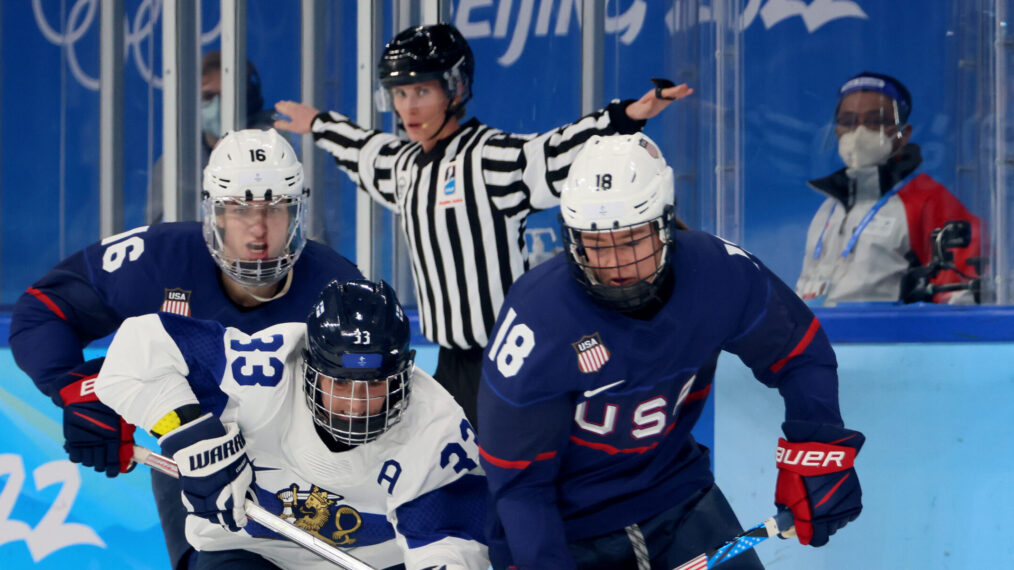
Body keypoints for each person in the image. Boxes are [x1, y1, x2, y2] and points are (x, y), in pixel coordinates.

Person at [273, 23, 693, 429]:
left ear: (454, 89)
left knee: (513, 477)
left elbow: (554, 151)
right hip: (449, 363)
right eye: (399, 93)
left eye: (422, 90)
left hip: (509, 356)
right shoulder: (405, 168)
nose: (409, 107)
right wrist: (318, 124)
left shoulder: (488, 158)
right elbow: (365, 150)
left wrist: (624, 116)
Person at [477, 134, 864, 569]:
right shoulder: (537, 320)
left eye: (631, 240)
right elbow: (520, 487)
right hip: (569, 530)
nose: (613, 264)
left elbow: (800, 352)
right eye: (596, 243)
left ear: (665, 225)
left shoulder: (719, 274)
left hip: (678, 500)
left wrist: (818, 450)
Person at [9, 129, 364, 570]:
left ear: (298, 213)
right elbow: (43, 310)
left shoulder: (342, 289)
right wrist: (82, 391)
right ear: (213, 213)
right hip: (196, 462)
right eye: (239, 208)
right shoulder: (157, 259)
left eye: (275, 208)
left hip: (312, 482)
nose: (257, 227)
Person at [93, 279, 488, 569]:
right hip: (248, 550)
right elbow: (136, 351)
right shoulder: (263, 373)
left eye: (375, 384)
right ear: (309, 367)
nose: (355, 405)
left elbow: (449, 545)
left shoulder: (436, 430)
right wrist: (188, 433)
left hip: (376, 562)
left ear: (403, 377)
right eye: (341, 382)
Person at [796, 71, 982, 306]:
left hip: (889, 339)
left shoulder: (928, 201)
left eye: (876, 121)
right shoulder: (829, 207)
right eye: (848, 121)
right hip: (821, 336)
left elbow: (960, 299)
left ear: (903, 134)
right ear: (836, 130)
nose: (859, 132)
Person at [147, 50, 276, 224]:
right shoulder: (172, 165)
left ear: (249, 98)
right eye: (207, 96)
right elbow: (158, 237)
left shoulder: (278, 150)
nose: (217, 104)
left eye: (226, 96)